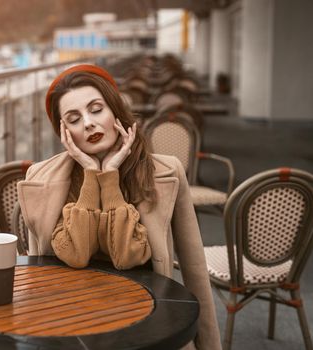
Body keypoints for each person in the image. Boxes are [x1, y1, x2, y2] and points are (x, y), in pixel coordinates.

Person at [17, 64, 221, 349]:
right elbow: (70, 258)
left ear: (115, 110)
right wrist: (91, 173)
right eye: (74, 119)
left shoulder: (166, 171)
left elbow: (187, 266)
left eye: (96, 109)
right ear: (64, 133)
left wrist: (110, 179)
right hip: (69, 322)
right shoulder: (42, 177)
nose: (88, 123)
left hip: (148, 322)